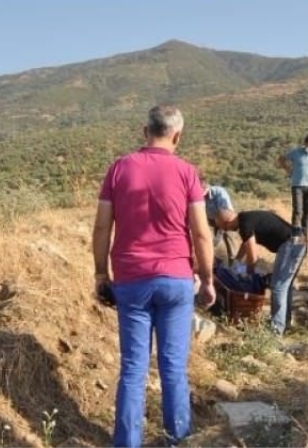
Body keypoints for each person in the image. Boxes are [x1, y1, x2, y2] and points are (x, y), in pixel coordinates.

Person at [92, 105, 216, 448]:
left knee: (133, 368)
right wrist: (206, 279)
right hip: (176, 278)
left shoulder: (119, 169)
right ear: (177, 135)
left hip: (131, 279)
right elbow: (202, 234)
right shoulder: (187, 172)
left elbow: (103, 225)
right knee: (173, 368)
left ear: (144, 131)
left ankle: (126, 443)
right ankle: (178, 440)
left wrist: (101, 273)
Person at [215, 208, 306, 336]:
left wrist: (249, 275)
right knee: (285, 287)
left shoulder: (244, 223)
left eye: (224, 227)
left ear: (228, 220)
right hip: (298, 241)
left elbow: (253, 256)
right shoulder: (246, 218)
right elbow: (246, 244)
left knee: (278, 287)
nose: (226, 230)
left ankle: (276, 330)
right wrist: (236, 261)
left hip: (291, 244)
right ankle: (285, 323)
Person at [278, 134, 308, 236]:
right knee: (297, 209)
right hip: (297, 184)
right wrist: (288, 169)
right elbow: (281, 159)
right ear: (305, 143)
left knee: (307, 209)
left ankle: (305, 231)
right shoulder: (296, 152)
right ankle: (294, 232)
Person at [203, 182, 235, 260]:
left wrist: (219, 234)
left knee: (227, 236)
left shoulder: (219, 193)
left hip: (225, 219)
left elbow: (225, 213)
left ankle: (233, 260)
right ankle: (211, 257)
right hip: (210, 218)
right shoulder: (199, 195)